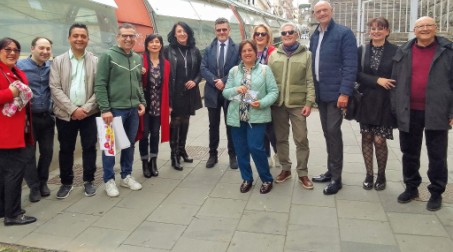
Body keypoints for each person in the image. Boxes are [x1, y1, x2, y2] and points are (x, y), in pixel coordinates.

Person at [391, 16, 453, 211]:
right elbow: (395, 81)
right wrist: (396, 107)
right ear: (414, 30)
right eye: (420, 26)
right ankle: (411, 187)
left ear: (435, 28)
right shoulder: (404, 51)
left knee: (437, 154)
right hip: (409, 111)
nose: (425, 29)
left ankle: (436, 192)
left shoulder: (448, 51)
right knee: (409, 152)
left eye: (429, 25)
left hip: (438, 110)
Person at [309, 1, 358, 195]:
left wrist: (345, 92)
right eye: (318, 11)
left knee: (333, 132)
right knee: (328, 133)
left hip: (336, 94)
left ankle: (337, 178)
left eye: (325, 10)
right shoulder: (315, 35)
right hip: (321, 93)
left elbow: (350, 65)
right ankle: (331, 171)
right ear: (314, 15)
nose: (321, 13)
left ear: (332, 12)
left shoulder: (344, 33)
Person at [95, 23, 146, 197]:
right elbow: (100, 84)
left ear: (135, 38)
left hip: (132, 109)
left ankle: (126, 176)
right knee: (109, 146)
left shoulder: (137, 58)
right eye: (124, 35)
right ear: (118, 37)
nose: (128, 39)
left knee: (129, 144)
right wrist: (105, 108)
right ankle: (109, 180)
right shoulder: (108, 56)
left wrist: (141, 101)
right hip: (114, 110)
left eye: (132, 36)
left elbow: (138, 83)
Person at [50, 23, 99, 199]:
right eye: (75, 36)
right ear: (69, 38)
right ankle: (66, 182)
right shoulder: (58, 61)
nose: (79, 39)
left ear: (88, 39)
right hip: (65, 114)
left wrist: (85, 108)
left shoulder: (95, 61)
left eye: (83, 36)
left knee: (89, 148)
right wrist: (72, 109)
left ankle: (89, 181)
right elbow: (55, 88)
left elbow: (99, 88)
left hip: (89, 113)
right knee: (66, 149)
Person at [222, 40, 278, 194]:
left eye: (250, 50)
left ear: (255, 52)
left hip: (257, 115)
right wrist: (235, 89)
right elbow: (226, 93)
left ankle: (266, 178)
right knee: (241, 149)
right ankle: (247, 178)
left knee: (255, 147)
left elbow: (274, 91)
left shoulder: (265, 70)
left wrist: (262, 103)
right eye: (244, 51)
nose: (247, 53)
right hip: (237, 116)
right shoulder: (234, 71)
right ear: (240, 54)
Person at [268, 23, 315, 190]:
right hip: (278, 104)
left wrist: (309, 102)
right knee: (281, 138)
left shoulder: (307, 55)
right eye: (284, 32)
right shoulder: (274, 55)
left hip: (298, 104)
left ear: (296, 34)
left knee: (301, 138)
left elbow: (310, 81)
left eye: (290, 32)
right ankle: (285, 169)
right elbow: (269, 80)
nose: (287, 34)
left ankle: (302, 173)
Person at [356, 17, 397, 191]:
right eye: (372, 28)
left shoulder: (396, 51)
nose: (376, 31)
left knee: (379, 140)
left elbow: (399, 75)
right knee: (366, 138)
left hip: (385, 101)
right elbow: (355, 73)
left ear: (387, 31)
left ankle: (381, 175)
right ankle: (369, 174)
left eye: (380, 28)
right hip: (366, 100)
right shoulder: (362, 50)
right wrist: (376, 80)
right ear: (368, 31)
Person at [0, 37, 37, 225]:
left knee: (5, 173)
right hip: (6, 134)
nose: (12, 53)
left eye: (16, 49)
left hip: (19, 130)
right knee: (14, 173)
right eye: (7, 49)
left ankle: (4, 209)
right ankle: (13, 214)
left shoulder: (15, 70)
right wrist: (11, 93)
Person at [17, 37, 55, 202]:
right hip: (28, 119)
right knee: (28, 155)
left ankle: (43, 182)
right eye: (41, 48)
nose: (45, 52)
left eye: (48, 49)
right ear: (32, 48)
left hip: (47, 117)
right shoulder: (19, 67)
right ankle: (33, 187)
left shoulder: (52, 67)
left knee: (47, 152)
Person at [201, 17, 240, 169]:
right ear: (215, 31)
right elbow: (203, 68)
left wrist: (224, 80)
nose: (222, 32)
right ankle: (213, 155)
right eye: (219, 30)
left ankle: (232, 155)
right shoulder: (209, 48)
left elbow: (238, 67)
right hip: (212, 92)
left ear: (229, 30)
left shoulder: (236, 48)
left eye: (224, 29)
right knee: (213, 125)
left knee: (231, 124)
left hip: (230, 91)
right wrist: (215, 81)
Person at [164, 22, 202, 171]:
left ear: (188, 33)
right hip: (174, 92)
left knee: (185, 120)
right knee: (175, 121)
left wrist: (195, 81)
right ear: (174, 34)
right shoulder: (167, 50)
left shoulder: (194, 51)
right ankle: (174, 154)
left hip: (189, 92)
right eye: (179, 31)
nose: (182, 33)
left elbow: (200, 70)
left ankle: (182, 149)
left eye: (184, 31)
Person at [139, 34, 170, 178]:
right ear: (146, 45)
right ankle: (145, 163)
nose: (154, 44)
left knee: (155, 134)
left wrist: (169, 105)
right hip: (144, 104)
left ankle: (154, 161)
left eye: (157, 42)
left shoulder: (166, 64)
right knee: (144, 134)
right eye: (151, 42)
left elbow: (168, 85)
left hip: (159, 104)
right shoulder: (140, 61)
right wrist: (140, 74)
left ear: (161, 45)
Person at [251, 24, 279, 168]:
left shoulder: (274, 52)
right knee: (260, 130)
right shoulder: (250, 51)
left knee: (272, 130)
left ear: (268, 36)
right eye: (257, 34)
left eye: (263, 34)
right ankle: (267, 157)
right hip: (254, 96)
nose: (260, 36)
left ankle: (278, 153)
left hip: (269, 97)